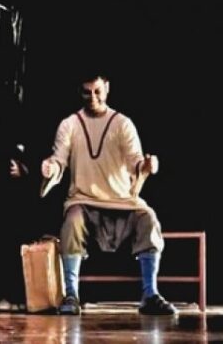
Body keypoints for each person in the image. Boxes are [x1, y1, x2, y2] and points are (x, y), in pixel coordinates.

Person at [40, 71, 177, 315]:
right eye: (87, 92)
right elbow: (59, 159)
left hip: (122, 202)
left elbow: (136, 160)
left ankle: (150, 294)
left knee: (148, 219)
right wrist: (51, 168)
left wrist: (147, 165)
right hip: (83, 201)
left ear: (107, 89)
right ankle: (71, 295)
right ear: (80, 92)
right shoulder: (69, 124)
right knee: (71, 222)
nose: (93, 97)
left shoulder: (122, 124)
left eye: (98, 91)